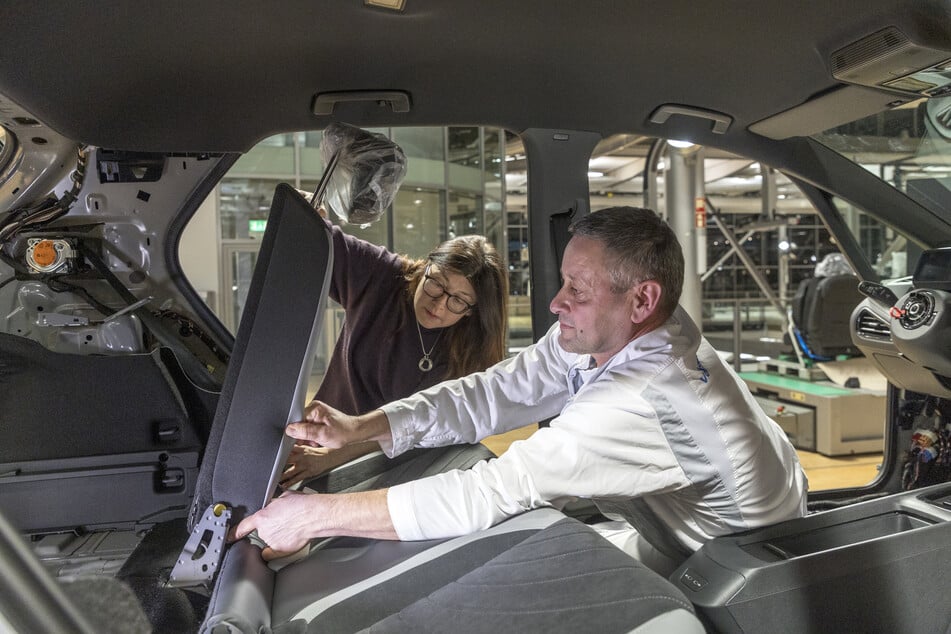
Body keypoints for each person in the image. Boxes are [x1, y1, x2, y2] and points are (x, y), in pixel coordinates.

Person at [235, 206, 808, 574]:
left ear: (642, 300)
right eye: (563, 282)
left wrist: (313, 517)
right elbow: (493, 392)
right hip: (685, 512)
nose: (558, 303)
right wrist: (365, 427)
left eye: (576, 290)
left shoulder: (648, 396)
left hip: (731, 558)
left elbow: (495, 491)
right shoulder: (617, 328)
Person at [278, 214, 509, 488]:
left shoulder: (475, 350)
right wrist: (308, 216)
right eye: (436, 283)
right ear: (427, 265)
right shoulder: (384, 278)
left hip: (397, 472)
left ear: (474, 311)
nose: (438, 306)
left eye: (458, 301)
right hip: (315, 447)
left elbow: (422, 429)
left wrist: (331, 457)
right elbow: (315, 240)